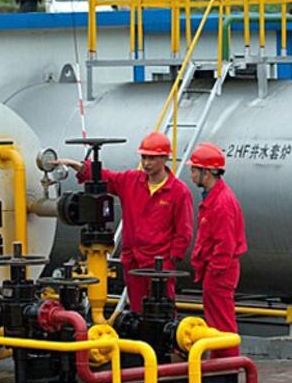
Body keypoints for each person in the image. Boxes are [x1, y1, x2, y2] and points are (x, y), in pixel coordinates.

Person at [52, 132, 193, 312]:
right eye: (144, 157)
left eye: (152, 158)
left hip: (159, 264)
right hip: (133, 260)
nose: (146, 163)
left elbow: (183, 231)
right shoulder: (131, 181)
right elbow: (107, 178)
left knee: (161, 309)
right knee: (137, 309)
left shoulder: (178, 192)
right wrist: (79, 167)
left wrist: (170, 260)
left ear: (165, 158)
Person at [187, 142, 247, 358]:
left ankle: (226, 368)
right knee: (217, 322)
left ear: (207, 172)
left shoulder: (221, 203)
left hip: (220, 271)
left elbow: (225, 244)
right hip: (217, 270)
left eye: (194, 169)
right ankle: (222, 365)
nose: (191, 174)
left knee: (222, 325)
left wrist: (213, 270)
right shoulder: (215, 198)